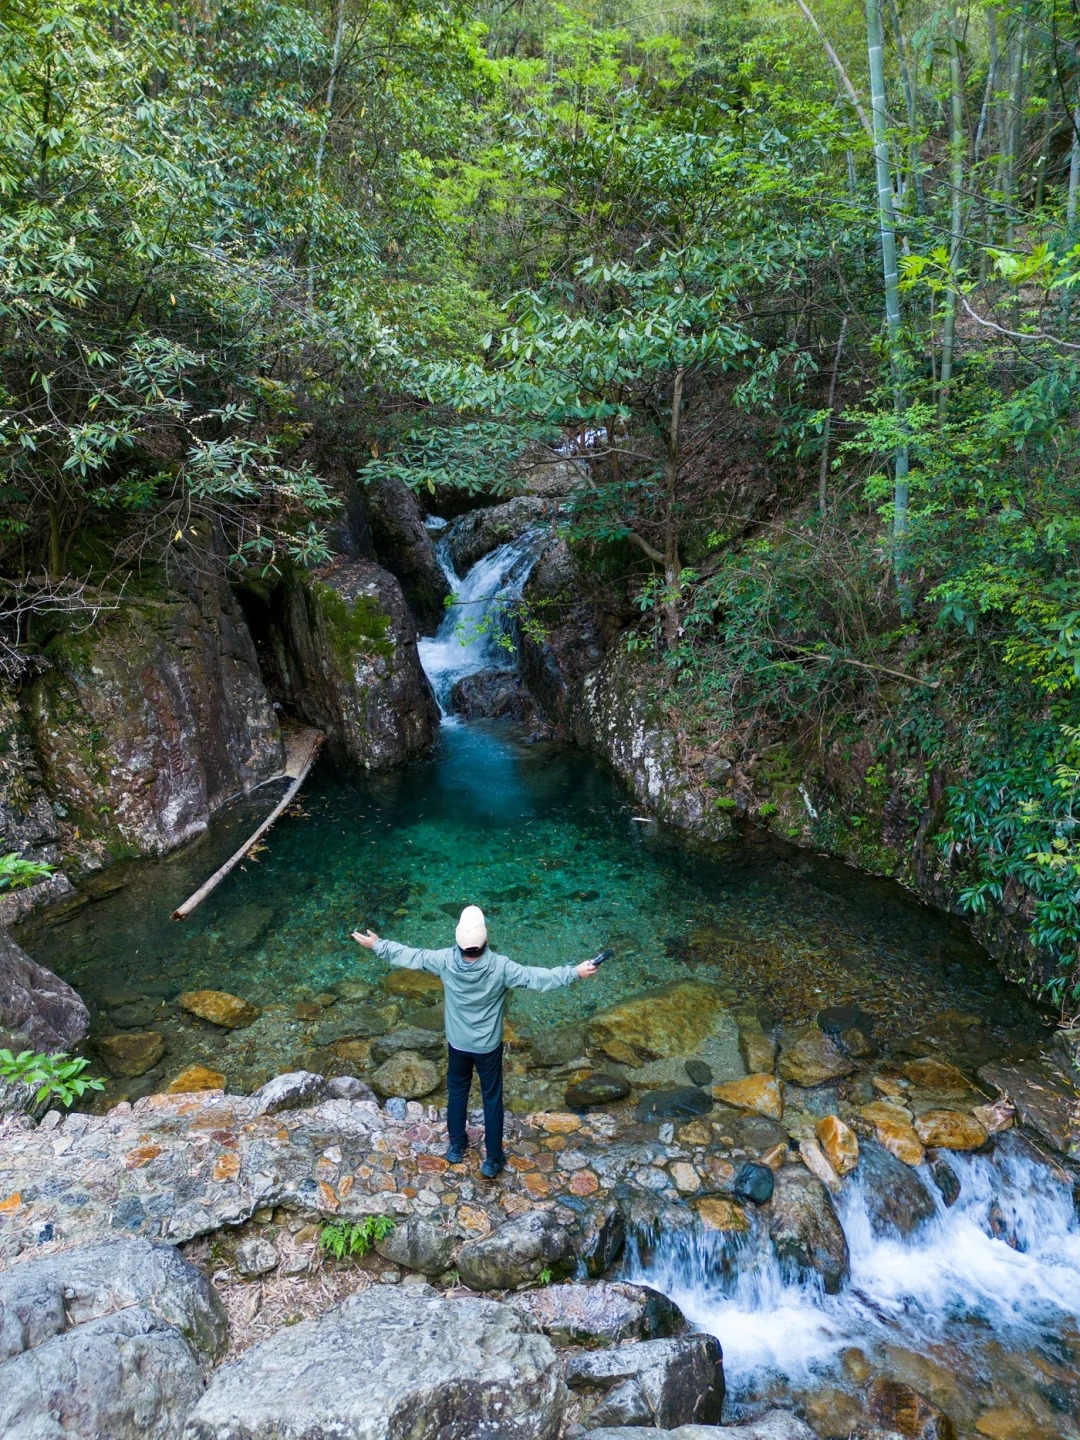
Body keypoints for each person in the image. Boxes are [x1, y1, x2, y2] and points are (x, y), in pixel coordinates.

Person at [353, 905, 599, 1178]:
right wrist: (575, 972)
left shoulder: (444, 960)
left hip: (457, 1044)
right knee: (491, 1099)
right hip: (488, 1048)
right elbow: (539, 978)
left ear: (457, 937)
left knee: (457, 1093)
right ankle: (493, 1159)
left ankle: (457, 1146)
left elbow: (411, 955)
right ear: (486, 937)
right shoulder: (502, 967)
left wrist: (378, 945)